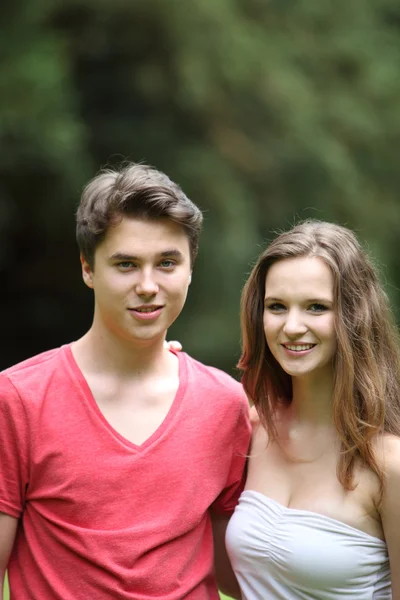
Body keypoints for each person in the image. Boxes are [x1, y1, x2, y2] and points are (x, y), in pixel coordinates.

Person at [0, 162, 251, 600]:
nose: (149, 285)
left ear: (191, 269)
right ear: (87, 269)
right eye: (126, 264)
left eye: (167, 263)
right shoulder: (18, 399)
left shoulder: (226, 405)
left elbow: (242, 574)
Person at [225, 219, 400, 599]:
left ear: (355, 316)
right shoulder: (252, 429)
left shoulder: (389, 464)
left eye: (316, 307)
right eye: (277, 306)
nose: (291, 326)